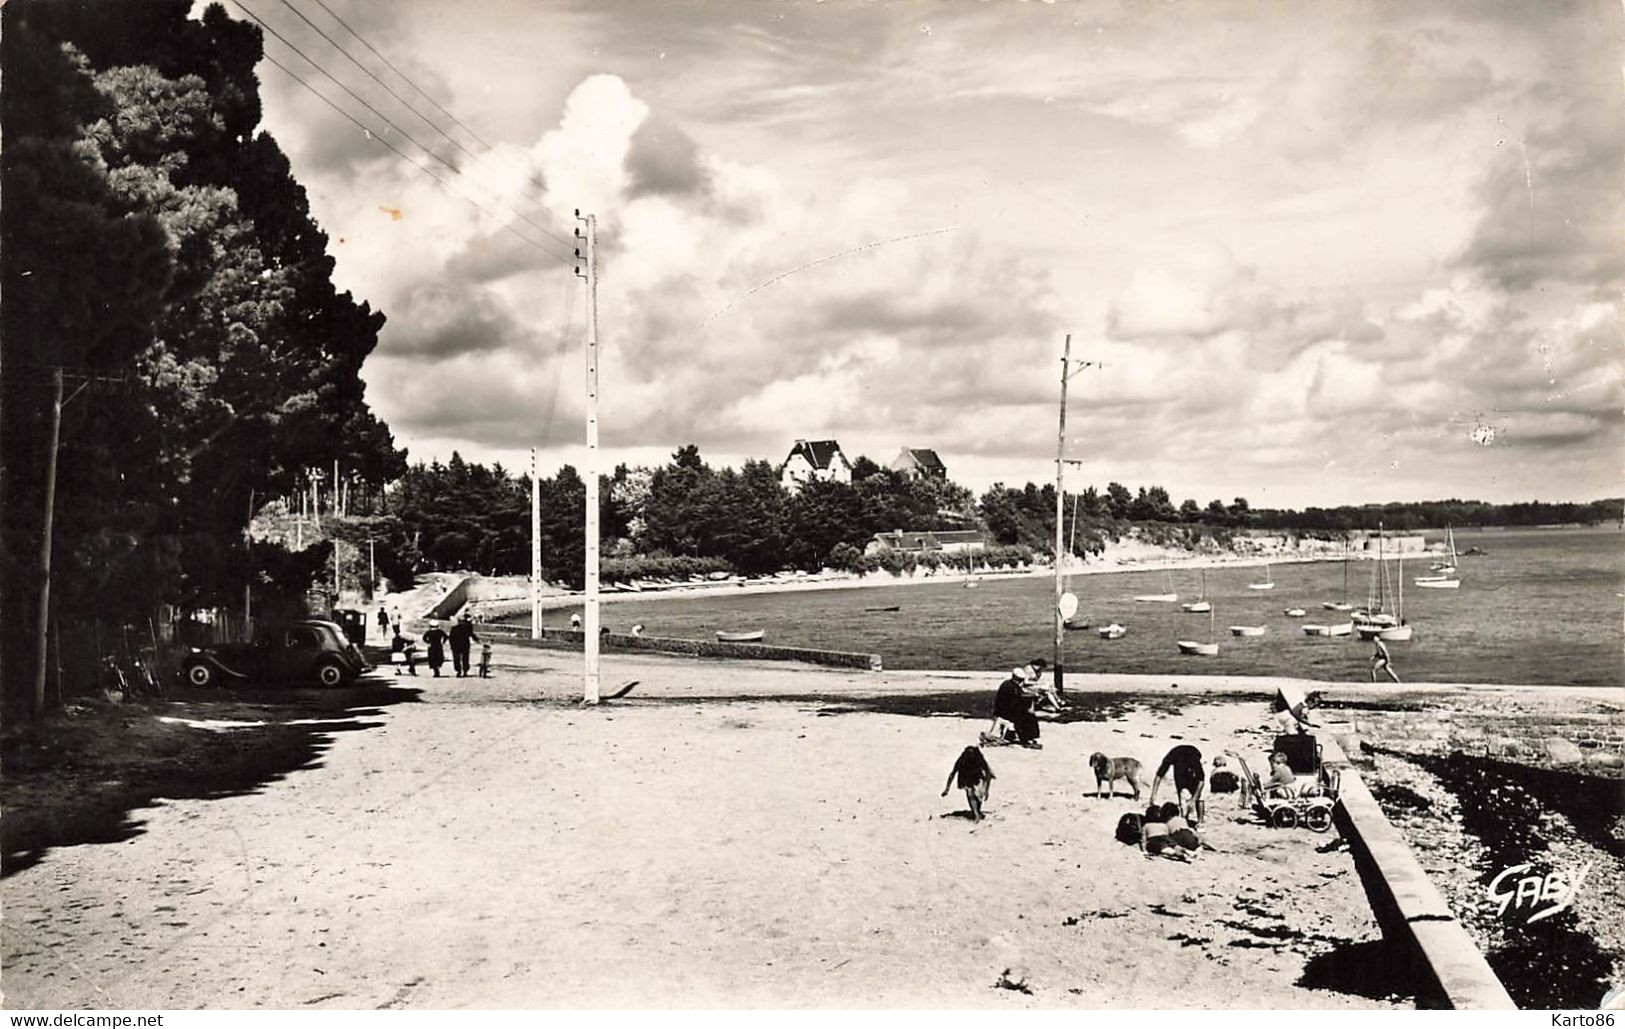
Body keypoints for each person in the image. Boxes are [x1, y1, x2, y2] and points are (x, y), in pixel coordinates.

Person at [1149, 744, 1205, 821]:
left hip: (1192, 754)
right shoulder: (1172, 756)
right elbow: (1159, 775)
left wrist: (1193, 799)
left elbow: (1201, 781)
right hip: (1179, 764)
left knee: (1200, 796)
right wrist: (1153, 794)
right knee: (1182, 794)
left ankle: (1200, 821)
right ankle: (1184, 819)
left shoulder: (1194, 759)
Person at [941, 745, 996, 821]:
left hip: (977, 776)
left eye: (971, 755)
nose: (970, 756)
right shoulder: (962, 760)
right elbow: (952, 774)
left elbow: (988, 774)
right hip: (965, 777)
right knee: (970, 794)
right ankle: (976, 814)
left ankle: (977, 811)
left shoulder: (979, 759)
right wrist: (947, 789)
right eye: (969, 755)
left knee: (978, 796)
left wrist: (986, 790)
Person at [993, 667, 1042, 748]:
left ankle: (1024, 737)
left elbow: (1016, 699)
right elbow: (1014, 703)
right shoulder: (1011, 687)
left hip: (1003, 709)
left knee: (1026, 714)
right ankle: (1026, 739)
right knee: (1027, 717)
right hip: (1005, 711)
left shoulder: (1009, 684)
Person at [449, 612, 479, 678]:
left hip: (456, 645)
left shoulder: (454, 628)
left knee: (456, 658)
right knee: (465, 658)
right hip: (465, 644)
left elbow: (451, 637)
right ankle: (465, 671)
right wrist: (477, 639)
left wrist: (451, 645)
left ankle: (458, 671)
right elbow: (471, 634)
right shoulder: (467, 626)